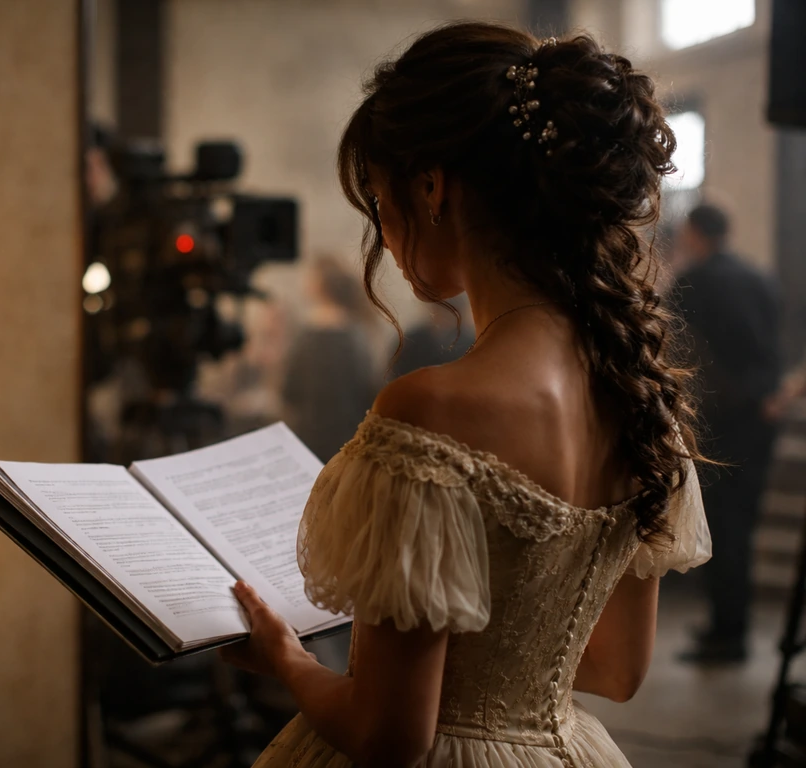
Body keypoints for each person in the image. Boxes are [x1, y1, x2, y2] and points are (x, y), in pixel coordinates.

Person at [217, 23, 712, 768]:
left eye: (379, 202)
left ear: (430, 186)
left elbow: (391, 739)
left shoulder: (431, 410)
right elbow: (617, 670)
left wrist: (288, 658)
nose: (383, 234)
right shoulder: (638, 399)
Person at [672, 203, 781, 664]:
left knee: (720, 525)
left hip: (718, 422)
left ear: (696, 233)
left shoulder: (697, 279)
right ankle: (729, 626)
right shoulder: (758, 277)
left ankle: (727, 636)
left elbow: (668, 337)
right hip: (761, 417)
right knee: (743, 525)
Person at [282, 256, 380, 463]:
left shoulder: (307, 336)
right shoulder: (357, 334)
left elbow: (289, 389)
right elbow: (368, 390)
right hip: (348, 435)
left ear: (319, 286)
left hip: (310, 436)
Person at [390, 294, 476, 378]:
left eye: (449, 313)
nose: (444, 318)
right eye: (440, 310)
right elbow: (398, 374)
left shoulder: (470, 342)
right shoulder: (412, 340)